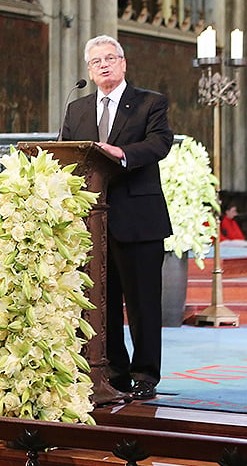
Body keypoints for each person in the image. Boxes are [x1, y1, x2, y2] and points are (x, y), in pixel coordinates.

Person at [60, 35, 174, 402]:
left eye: (111, 58)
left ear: (123, 64)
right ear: (89, 71)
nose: (104, 65)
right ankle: (114, 371)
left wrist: (120, 152)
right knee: (101, 302)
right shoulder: (76, 109)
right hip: (92, 224)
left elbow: (160, 143)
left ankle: (145, 374)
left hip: (138, 219)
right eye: (96, 62)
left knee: (142, 304)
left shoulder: (149, 103)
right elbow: (63, 152)